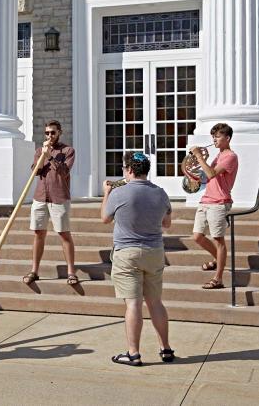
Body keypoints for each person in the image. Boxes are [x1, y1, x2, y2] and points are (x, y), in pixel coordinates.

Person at [101, 151, 173, 366]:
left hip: (127, 252)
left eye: (125, 169)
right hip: (154, 251)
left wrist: (106, 192)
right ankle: (166, 349)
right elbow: (167, 224)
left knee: (133, 304)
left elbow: (104, 218)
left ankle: (133, 353)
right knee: (155, 302)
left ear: (130, 170)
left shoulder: (119, 192)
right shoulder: (160, 193)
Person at [23, 120, 78, 286]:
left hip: (59, 198)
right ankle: (34, 271)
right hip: (40, 197)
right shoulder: (40, 150)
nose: (49, 136)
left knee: (63, 234)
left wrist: (51, 157)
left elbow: (64, 172)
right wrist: (42, 155)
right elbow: (35, 171)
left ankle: (71, 272)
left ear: (59, 132)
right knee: (38, 233)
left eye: (52, 133)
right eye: (47, 133)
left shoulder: (68, 150)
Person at [191, 123, 238, 290]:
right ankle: (218, 260)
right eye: (213, 137)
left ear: (227, 138)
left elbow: (211, 173)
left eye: (217, 136)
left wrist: (199, 157)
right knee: (197, 236)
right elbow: (208, 176)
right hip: (206, 200)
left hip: (219, 202)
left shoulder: (230, 156)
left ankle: (218, 279)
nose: (214, 140)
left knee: (219, 241)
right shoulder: (218, 157)